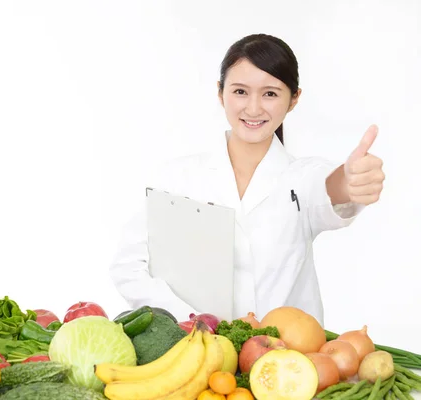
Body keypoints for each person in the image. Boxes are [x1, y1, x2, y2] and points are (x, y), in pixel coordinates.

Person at [108, 33, 385, 327]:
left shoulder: (299, 178)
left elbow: (326, 187)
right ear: (220, 92)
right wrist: (192, 321)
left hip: (290, 359)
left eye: (270, 93)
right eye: (240, 92)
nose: (253, 108)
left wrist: (350, 181)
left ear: (294, 99)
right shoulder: (175, 178)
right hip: (199, 355)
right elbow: (128, 266)